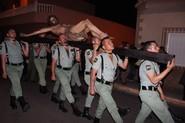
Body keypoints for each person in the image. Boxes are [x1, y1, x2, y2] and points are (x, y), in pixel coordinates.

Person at [90, 37, 128, 123]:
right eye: (108, 42)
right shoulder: (100, 57)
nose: (111, 43)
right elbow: (93, 73)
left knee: (102, 104)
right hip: (100, 84)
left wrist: (127, 57)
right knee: (112, 106)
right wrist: (92, 88)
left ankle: (96, 119)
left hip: (110, 85)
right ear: (103, 47)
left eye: (111, 42)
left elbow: (124, 67)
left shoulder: (116, 56)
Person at [135, 40, 175, 123]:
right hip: (149, 94)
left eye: (157, 46)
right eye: (155, 46)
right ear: (149, 50)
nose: (158, 47)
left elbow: (156, 82)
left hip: (152, 93)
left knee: (143, 115)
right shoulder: (147, 63)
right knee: (166, 117)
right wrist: (168, 69)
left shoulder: (154, 63)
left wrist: (161, 93)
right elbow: (154, 80)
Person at [51, 33, 82, 116]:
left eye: (65, 37)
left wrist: (78, 50)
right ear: (59, 41)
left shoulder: (73, 48)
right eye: (62, 38)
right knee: (67, 87)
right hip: (60, 70)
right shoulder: (57, 49)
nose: (64, 38)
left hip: (69, 70)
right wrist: (53, 74)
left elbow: (78, 60)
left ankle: (61, 103)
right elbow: (53, 63)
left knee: (64, 88)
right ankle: (74, 107)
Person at [1, 29, 30, 112]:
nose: (13, 33)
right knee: (17, 83)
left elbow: (26, 54)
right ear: (7, 34)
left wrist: (27, 45)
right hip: (10, 67)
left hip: (20, 67)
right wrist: (4, 71)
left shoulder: (18, 43)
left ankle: (12, 100)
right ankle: (22, 101)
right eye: (11, 32)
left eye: (14, 32)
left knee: (15, 84)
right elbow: (3, 59)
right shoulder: (4, 44)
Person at [21, 15, 109, 41]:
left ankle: (98, 36)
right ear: (50, 22)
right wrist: (27, 34)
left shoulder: (61, 24)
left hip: (76, 32)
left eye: (54, 18)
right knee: (85, 21)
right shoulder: (51, 29)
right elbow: (39, 31)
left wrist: (75, 27)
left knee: (88, 25)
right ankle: (101, 34)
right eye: (51, 20)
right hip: (70, 33)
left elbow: (73, 26)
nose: (54, 20)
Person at [81, 36, 102, 120]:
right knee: (103, 94)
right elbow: (93, 61)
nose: (99, 42)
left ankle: (85, 112)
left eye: (100, 41)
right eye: (97, 41)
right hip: (88, 76)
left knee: (91, 95)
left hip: (96, 76)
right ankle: (117, 110)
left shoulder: (101, 51)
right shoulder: (88, 51)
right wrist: (95, 50)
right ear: (93, 42)